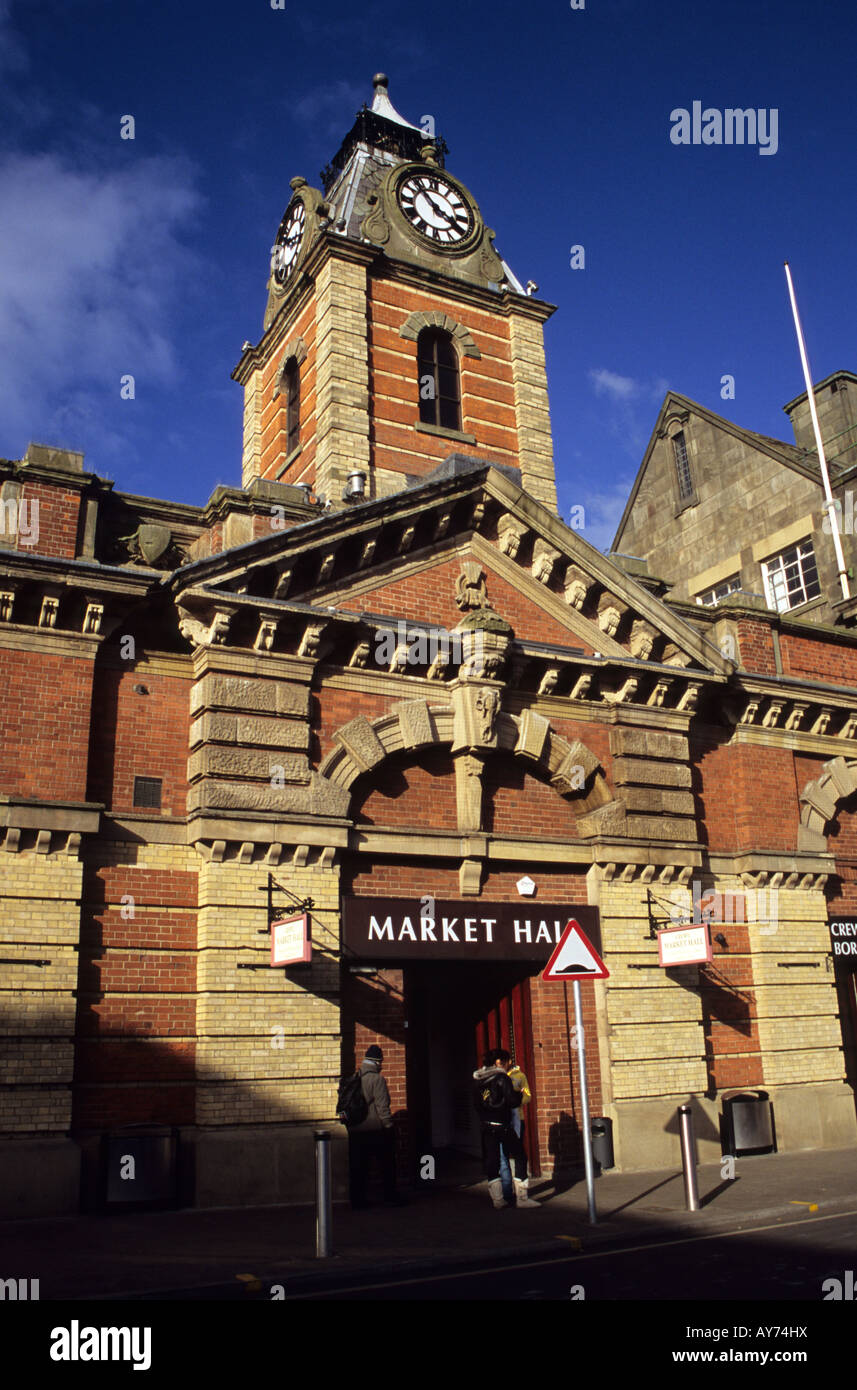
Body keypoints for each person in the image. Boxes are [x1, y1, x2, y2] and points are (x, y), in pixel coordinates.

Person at [473, 1047, 539, 1209]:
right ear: (502, 1063)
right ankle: (522, 1198)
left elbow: (476, 1104)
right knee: (520, 1156)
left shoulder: (478, 1080)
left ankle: (497, 1199)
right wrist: (517, 1095)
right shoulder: (502, 1078)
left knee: (493, 1160)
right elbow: (512, 1101)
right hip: (503, 1124)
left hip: (486, 1125)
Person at [348, 1045, 403, 1208]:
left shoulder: (354, 1077)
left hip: (355, 1130)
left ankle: (357, 1200)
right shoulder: (377, 1079)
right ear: (377, 1062)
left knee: (359, 1167)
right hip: (374, 1130)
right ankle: (390, 1196)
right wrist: (388, 1126)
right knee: (387, 1164)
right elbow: (382, 1107)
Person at [498, 1060, 532, 1205]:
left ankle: (521, 1195)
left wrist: (516, 1101)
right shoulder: (495, 1079)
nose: (499, 1065)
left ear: (508, 1062)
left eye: (501, 1063)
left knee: (519, 1155)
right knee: (502, 1155)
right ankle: (506, 1193)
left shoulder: (519, 1076)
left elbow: (527, 1095)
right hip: (500, 1120)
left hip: (517, 1119)